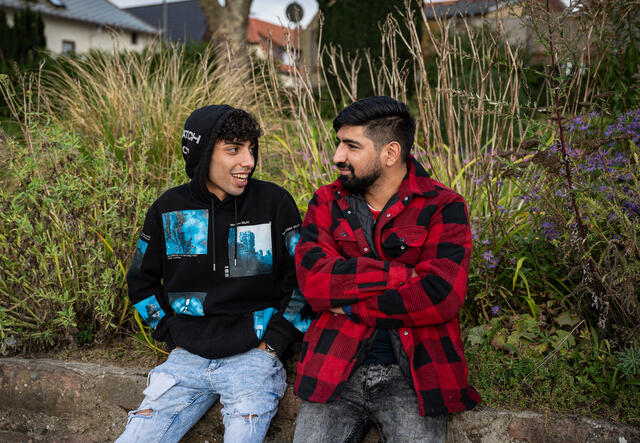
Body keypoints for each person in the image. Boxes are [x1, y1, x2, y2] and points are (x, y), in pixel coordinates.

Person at [292, 96, 481, 442]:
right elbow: (315, 284)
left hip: (414, 375)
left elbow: (440, 296)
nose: (337, 157)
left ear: (390, 153)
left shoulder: (444, 207)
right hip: (335, 366)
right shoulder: (325, 202)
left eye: (351, 146)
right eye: (339, 144)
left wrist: (349, 304)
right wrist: (400, 276)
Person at [117, 105, 308, 443]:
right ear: (203, 155)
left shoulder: (275, 203)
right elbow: (140, 281)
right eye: (233, 149)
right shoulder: (168, 209)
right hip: (186, 359)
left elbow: (304, 283)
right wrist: (169, 331)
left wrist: (275, 342)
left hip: (254, 359)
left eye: (251, 148)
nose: (248, 160)